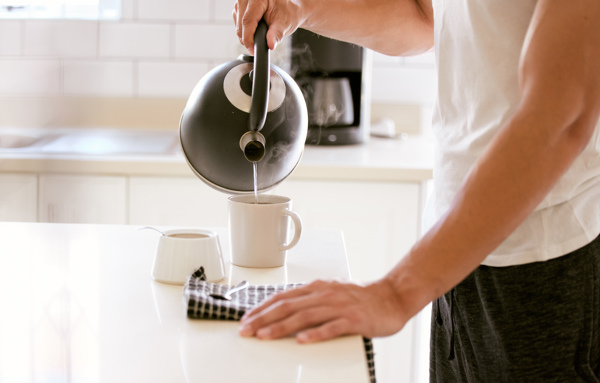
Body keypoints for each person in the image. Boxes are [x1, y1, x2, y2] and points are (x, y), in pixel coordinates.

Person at [233, 0, 600, 381]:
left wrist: (394, 294)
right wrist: (300, 8)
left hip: (544, 270)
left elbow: (562, 114)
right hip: (455, 255)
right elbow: (425, 18)